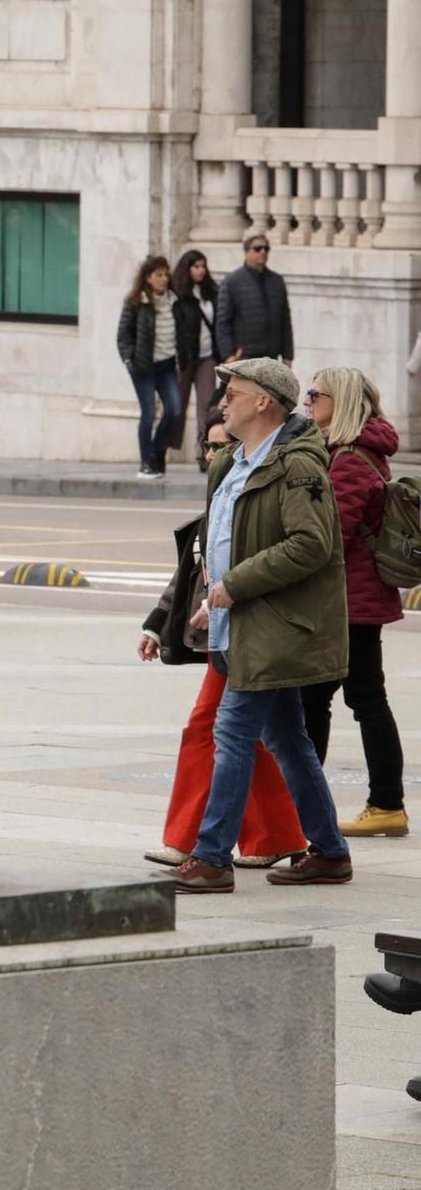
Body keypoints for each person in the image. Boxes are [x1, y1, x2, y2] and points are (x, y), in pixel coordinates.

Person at [163, 359, 353, 894]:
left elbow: (310, 544)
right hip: (237, 619)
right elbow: (223, 541)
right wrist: (210, 599)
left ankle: (212, 858)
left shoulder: (297, 465)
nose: (225, 400)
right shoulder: (230, 464)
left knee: (232, 731)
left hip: (275, 623)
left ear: (264, 401)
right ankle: (331, 852)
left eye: (235, 391)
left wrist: (234, 586)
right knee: (289, 739)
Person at [138, 409, 304, 870]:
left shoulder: (261, 488)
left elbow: (284, 556)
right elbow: (189, 574)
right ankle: (283, 836)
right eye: (207, 447)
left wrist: (223, 600)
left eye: (220, 446)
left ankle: (189, 840)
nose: (212, 454)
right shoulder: (223, 497)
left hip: (254, 630)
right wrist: (156, 622)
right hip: (229, 632)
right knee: (264, 738)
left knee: (208, 727)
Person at [301, 367, 408, 839]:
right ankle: (384, 803)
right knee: (362, 698)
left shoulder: (347, 460)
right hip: (357, 600)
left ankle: (366, 803)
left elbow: (331, 537)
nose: (307, 401)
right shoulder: (356, 452)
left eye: (314, 395)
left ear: (338, 401)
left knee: (323, 700)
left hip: (348, 602)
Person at [117, 255, 181, 480]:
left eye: (166, 274)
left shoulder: (174, 300)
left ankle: (156, 450)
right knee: (149, 413)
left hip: (167, 365)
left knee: (174, 410)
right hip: (143, 367)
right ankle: (146, 463)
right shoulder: (136, 302)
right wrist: (128, 358)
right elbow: (123, 335)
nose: (164, 279)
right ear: (148, 278)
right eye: (158, 275)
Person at [170, 250, 220, 461]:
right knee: (176, 405)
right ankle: (166, 448)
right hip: (183, 358)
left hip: (207, 357)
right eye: (196, 266)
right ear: (187, 268)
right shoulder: (176, 294)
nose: (201, 271)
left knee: (207, 405)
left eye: (203, 266)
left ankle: (203, 453)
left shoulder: (211, 292)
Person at [215, 235, 293, 363]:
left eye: (266, 249)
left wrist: (287, 356)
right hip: (243, 355)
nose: (263, 252)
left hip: (271, 355)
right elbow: (223, 322)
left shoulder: (277, 281)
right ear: (246, 252)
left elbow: (285, 320)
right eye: (257, 248)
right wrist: (228, 354)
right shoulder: (232, 281)